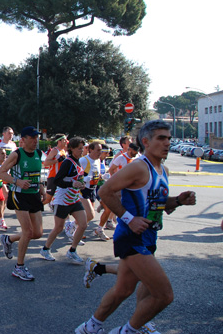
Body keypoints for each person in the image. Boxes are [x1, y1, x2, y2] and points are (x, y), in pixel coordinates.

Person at [76, 120, 197, 334]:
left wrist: (178, 200)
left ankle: (90, 327)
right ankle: (130, 330)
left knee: (123, 290)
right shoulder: (139, 167)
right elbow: (105, 191)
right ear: (146, 142)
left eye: (168, 138)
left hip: (149, 236)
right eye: (161, 138)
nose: (167, 143)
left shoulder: (163, 169)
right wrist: (129, 218)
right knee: (163, 294)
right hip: (131, 237)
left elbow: (158, 204)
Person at [0, 126, 45, 281]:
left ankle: (8, 239)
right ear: (23, 140)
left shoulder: (38, 153)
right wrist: (17, 181)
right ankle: (19, 267)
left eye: (36, 137)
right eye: (32, 138)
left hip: (34, 195)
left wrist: (42, 188)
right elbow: (0, 173)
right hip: (19, 195)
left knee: (38, 233)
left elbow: (36, 175)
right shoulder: (17, 154)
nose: (35, 140)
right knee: (28, 232)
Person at [38, 137, 87, 264]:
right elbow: (58, 180)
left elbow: (77, 178)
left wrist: (81, 184)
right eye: (79, 148)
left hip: (74, 199)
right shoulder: (67, 162)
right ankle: (45, 249)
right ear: (71, 149)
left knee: (83, 224)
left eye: (82, 148)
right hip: (63, 200)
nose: (81, 151)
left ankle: (72, 251)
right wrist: (72, 183)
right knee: (58, 228)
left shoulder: (78, 161)